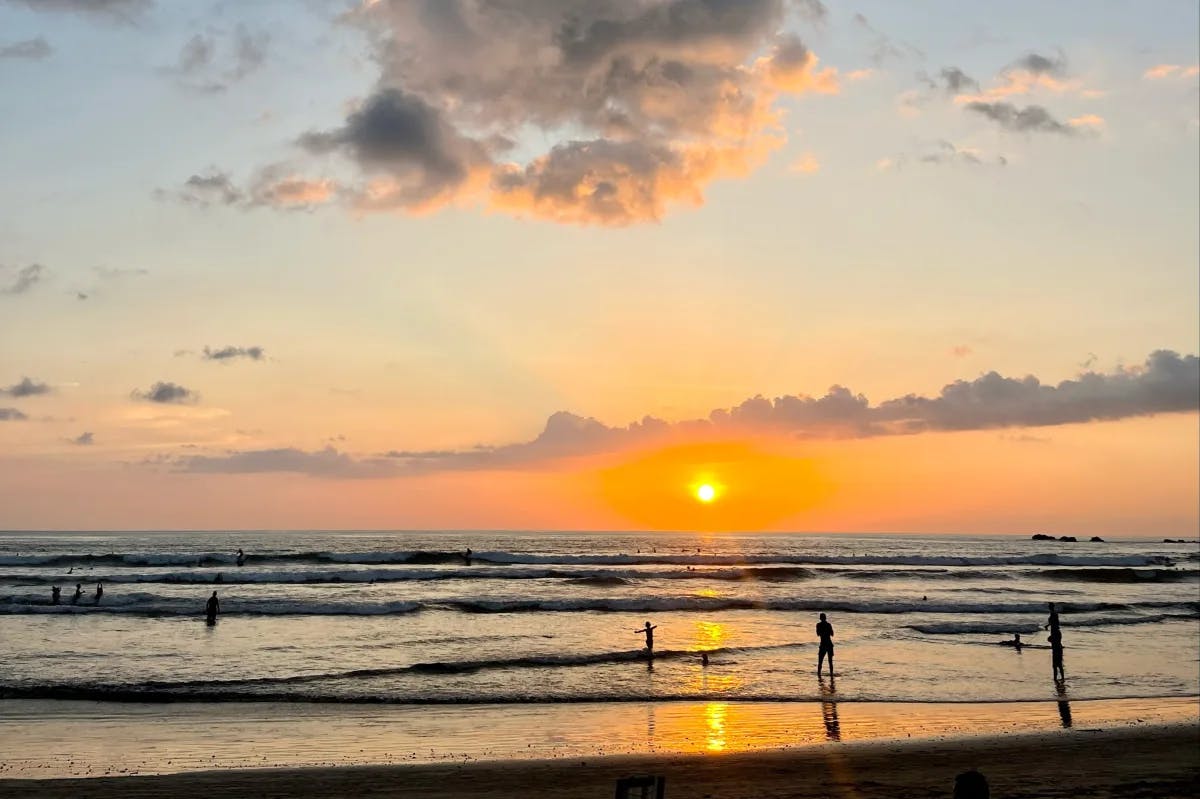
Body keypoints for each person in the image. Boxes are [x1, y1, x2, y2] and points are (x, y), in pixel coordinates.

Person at [1047, 602, 1065, 680]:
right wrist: (1048, 625)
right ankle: (1059, 678)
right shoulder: (1054, 614)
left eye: (1049, 606)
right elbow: (1054, 623)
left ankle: (1057, 678)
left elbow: (1054, 623)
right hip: (1056, 638)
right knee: (1057, 664)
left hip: (1056, 640)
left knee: (1056, 664)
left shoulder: (1053, 614)